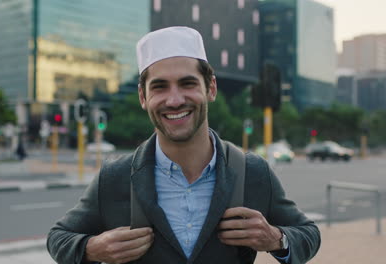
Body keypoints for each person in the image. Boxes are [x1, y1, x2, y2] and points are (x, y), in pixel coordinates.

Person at [47, 26, 320, 264]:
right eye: (160, 87)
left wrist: (276, 239)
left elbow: (308, 234)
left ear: (210, 88)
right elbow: (59, 238)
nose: (175, 100)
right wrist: (93, 249)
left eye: (187, 83)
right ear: (143, 97)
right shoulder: (115, 177)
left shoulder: (253, 171)